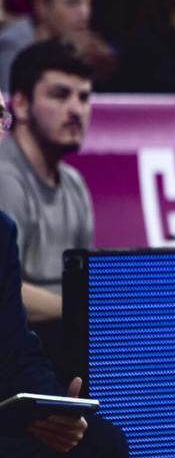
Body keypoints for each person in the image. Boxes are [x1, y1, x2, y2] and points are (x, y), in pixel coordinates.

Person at [0, 40, 94, 383]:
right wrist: (84, 307)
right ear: (21, 104)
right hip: (18, 357)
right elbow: (5, 294)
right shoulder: (4, 178)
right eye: (60, 95)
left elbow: (87, 278)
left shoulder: (75, 183)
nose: (76, 109)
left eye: (84, 98)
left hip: (62, 346)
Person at [0, 0, 108, 95]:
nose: (85, 13)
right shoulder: (12, 45)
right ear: (42, 6)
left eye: (88, 3)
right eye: (73, 2)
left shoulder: (73, 45)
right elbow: (8, 109)